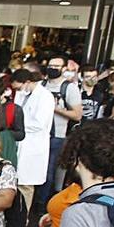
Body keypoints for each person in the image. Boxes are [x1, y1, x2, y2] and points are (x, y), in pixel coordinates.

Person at [37, 56, 83, 209]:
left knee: (49, 170)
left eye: (56, 66)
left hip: (57, 135)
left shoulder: (69, 88)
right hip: (38, 133)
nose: (52, 68)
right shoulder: (41, 84)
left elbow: (77, 114)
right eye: (50, 65)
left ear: (64, 69)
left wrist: (55, 108)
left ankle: (42, 204)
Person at [11, 69, 55, 213]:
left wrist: (18, 125)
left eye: (19, 87)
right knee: (15, 183)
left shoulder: (45, 97)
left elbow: (39, 124)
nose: (18, 90)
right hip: (20, 143)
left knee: (26, 185)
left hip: (33, 145)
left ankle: (23, 217)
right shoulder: (22, 94)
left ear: (28, 82)